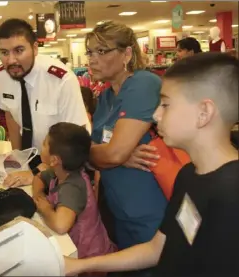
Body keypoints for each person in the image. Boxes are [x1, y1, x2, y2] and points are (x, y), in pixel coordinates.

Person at [65, 52, 239, 277]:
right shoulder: (189, 175)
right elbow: (157, 248)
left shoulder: (231, 194)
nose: (156, 115)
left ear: (203, 113)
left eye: (165, 105)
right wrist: (81, 265)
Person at [86, 22, 168, 264]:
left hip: (150, 211)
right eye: (90, 52)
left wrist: (114, 155)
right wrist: (114, 155)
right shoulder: (105, 96)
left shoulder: (143, 84)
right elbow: (101, 152)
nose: (92, 59)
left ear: (127, 53)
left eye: (102, 51)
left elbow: (111, 154)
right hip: (119, 211)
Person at [0, 18, 90, 188]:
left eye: (19, 50)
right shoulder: (2, 76)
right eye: (4, 52)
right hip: (31, 158)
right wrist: (18, 159)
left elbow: (74, 140)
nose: (11, 60)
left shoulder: (61, 79)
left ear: (35, 48)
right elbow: (11, 114)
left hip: (62, 167)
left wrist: (39, 172)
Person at [33, 123, 116, 276]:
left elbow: (60, 225)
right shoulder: (60, 172)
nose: (41, 145)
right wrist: (39, 196)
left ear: (54, 160)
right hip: (75, 250)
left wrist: (45, 209)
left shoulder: (73, 187)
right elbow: (38, 178)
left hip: (90, 262)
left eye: (44, 144)